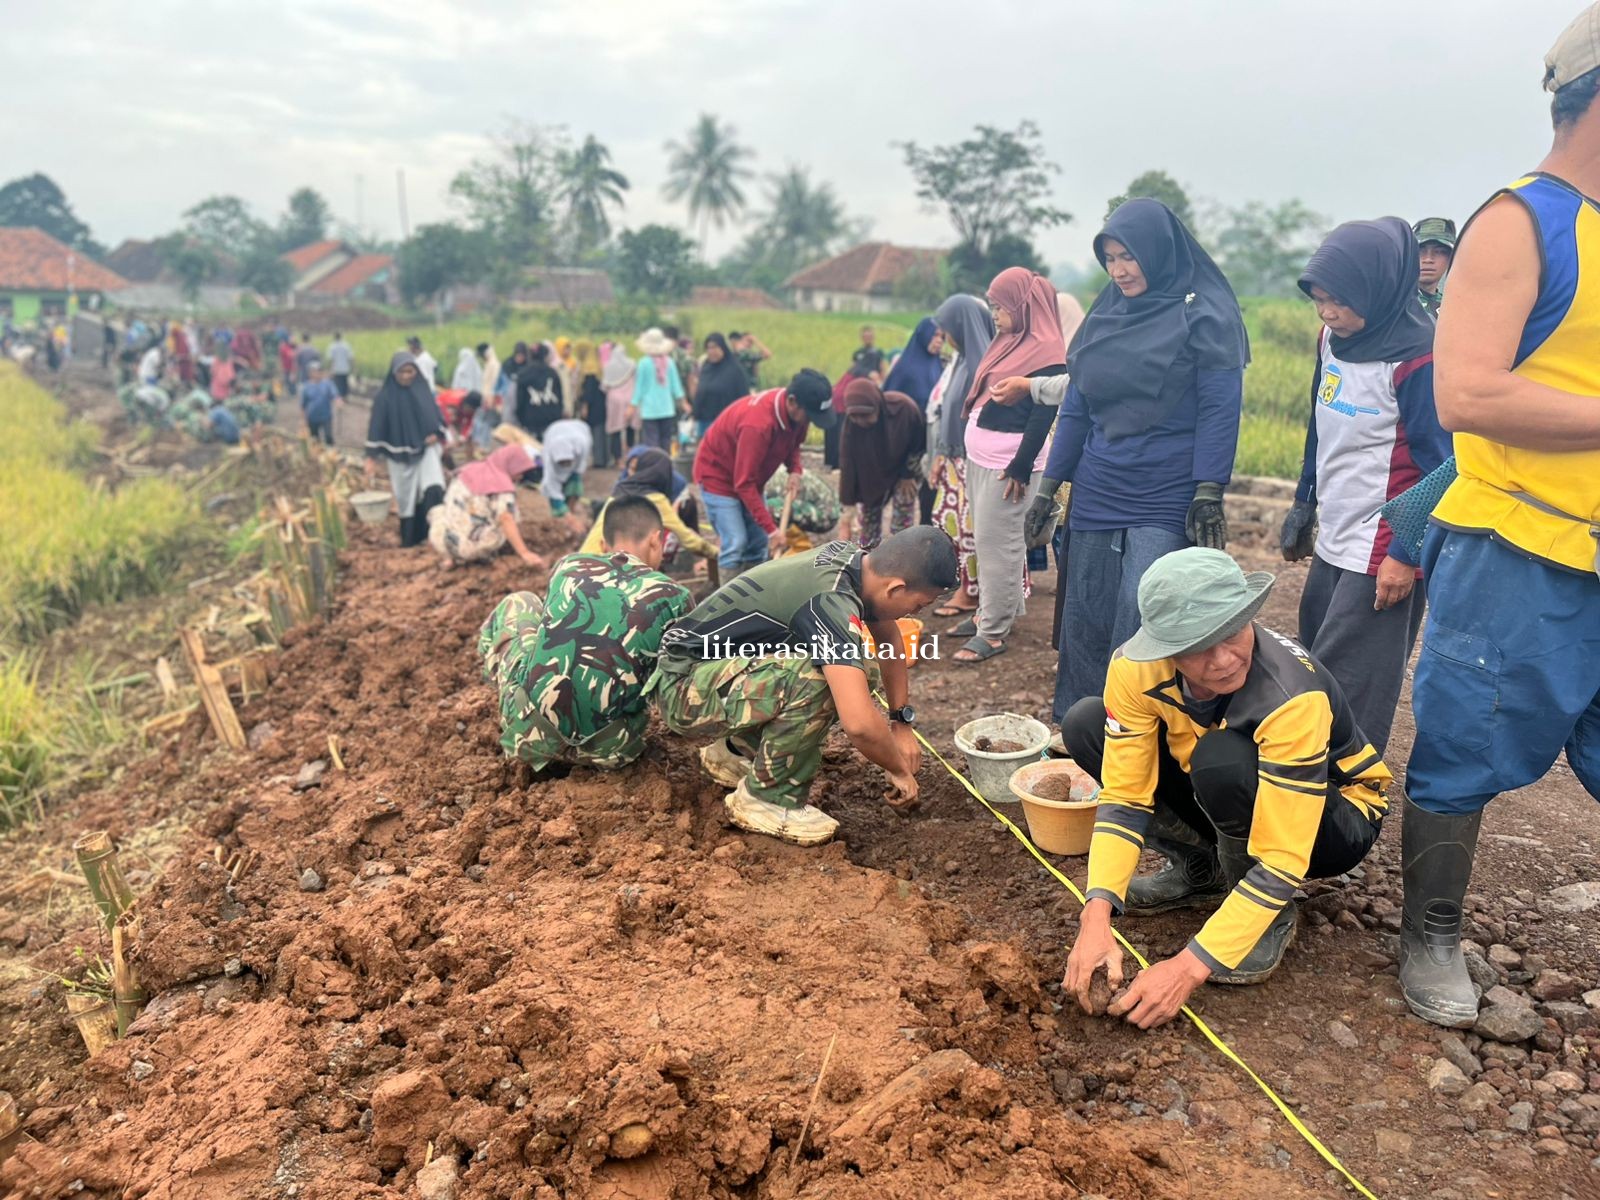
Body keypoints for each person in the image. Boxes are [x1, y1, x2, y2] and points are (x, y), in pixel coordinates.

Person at [1397, 12, 1600, 1029]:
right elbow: (1464, 395)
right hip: (1519, 544)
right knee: (1466, 742)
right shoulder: (1523, 223)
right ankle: (1429, 932)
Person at [1061, 549, 1392, 1023]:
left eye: (1232, 633)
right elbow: (1125, 795)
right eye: (1196, 646)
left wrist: (1187, 968)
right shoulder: (1134, 670)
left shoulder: (1290, 696)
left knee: (1222, 760)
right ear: (1164, 647)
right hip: (1224, 783)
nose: (1221, 660)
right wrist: (1095, 916)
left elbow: (1284, 855)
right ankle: (1203, 870)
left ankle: (1264, 917)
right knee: (1087, 724)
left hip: (1334, 818)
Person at [1021, 199, 1249, 714]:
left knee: (1143, 612)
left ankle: (1138, 730)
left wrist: (1209, 491)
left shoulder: (1205, 315)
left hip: (1166, 490)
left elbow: (1219, 409)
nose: (1119, 270)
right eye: (1110, 259)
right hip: (1100, 485)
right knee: (1087, 613)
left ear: (1158, 253)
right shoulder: (1105, 316)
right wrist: (1047, 487)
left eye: (1129, 257)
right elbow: (1077, 407)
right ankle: (1077, 728)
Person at [653, 527, 957, 845]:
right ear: (895, 588)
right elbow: (860, 725)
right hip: (684, 689)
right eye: (920, 604)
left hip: (710, 673)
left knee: (856, 667)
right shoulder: (830, 600)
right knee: (818, 679)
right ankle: (767, 799)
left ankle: (732, 752)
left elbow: (889, 639)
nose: (916, 612)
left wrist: (901, 722)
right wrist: (898, 769)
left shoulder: (855, 564)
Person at [1280, 218, 1448, 757]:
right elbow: (1317, 423)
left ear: (1378, 287)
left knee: (1354, 685)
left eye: (1339, 301)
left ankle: (1349, 802)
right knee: (1316, 664)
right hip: (1336, 531)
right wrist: (1303, 502)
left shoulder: (1418, 357)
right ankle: (1306, 783)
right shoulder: (1332, 340)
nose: (1327, 312)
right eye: (1319, 300)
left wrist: (1404, 554)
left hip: (1380, 547)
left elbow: (1444, 466)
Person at [479, 496, 692, 772]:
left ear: (603, 546)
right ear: (656, 540)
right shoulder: (676, 597)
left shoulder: (569, 565)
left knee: (521, 602)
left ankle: (500, 693)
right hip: (613, 751)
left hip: (527, 736)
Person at [949, 268, 1067, 664]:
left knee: (999, 547)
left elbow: (1041, 415)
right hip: (983, 459)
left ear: (1023, 305)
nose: (995, 314)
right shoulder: (1008, 342)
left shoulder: (1047, 352)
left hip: (1010, 465)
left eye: (1000, 307)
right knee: (986, 539)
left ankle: (994, 632)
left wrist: (1019, 466)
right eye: (992, 306)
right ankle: (991, 614)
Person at [693, 369, 836, 579]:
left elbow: (793, 443)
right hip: (718, 478)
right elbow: (743, 484)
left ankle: (752, 598)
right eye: (810, 415)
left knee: (758, 542)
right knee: (736, 542)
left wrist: (794, 470)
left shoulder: (797, 417)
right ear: (793, 402)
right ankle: (726, 606)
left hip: (749, 477)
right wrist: (773, 530)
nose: (810, 422)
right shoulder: (758, 425)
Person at [927, 295, 995, 623]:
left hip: (974, 462)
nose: (945, 337)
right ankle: (966, 586)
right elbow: (949, 412)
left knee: (972, 528)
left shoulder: (982, 366)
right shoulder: (962, 362)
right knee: (948, 523)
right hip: (955, 461)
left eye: (947, 329)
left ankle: (974, 592)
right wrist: (942, 454)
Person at [365, 352, 447, 547]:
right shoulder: (385, 397)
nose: (406, 376)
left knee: (434, 487)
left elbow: (435, 415)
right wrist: (371, 458)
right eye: (402, 372)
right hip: (398, 454)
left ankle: (435, 535)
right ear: (394, 373)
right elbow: (376, 427)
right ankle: (411, 540)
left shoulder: (422, 389)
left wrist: (436, 433)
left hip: (426, 449)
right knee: (406, 498)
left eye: (410, 371)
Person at [580, 446, 715, 562]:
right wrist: (715, 553)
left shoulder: (619, 491)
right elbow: (688, 539)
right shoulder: (655, 499)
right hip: (603, 569)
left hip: (581, 562)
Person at [428, 442, 547, 568]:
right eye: (520, 470)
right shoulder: (501, 486)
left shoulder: (467, 470)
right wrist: (525, 553)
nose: (521, 476)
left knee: (441, 510)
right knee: (506, 521)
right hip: (470, 548)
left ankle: (449, 558)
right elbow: (506, 519)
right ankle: (482, 556)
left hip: (440, 540)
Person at [838, 379, 925, 552]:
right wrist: (846, 514)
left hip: (904, 468)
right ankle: (868, 558)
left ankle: (901, 556)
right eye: (855, 416)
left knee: (903, 515)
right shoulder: (851, 425)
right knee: (869, 520)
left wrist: (908, 473)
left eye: (865, 415)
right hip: (871, 473)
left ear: (878, 404)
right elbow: (847, 465)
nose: (860, 421)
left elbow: (919, 443)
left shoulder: (904, 408)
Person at [631, 328, 686, 450]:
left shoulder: (643, 363)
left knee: (651, 442)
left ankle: (654, 466)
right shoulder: (669, 362)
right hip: (667, 409)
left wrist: (632, 405)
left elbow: (639, 388)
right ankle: (665, 465)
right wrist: (683, 403)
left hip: (649, 411)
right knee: (666, 441)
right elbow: (676, 387)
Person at [536, 418, 593, 528]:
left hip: (580, 430)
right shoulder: (549, 457)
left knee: (575, 486)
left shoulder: (581, 445)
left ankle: (570, 510)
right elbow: (551, 489)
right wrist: (570, 519)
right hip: (553, 430)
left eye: (567, 462)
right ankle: (561, 518)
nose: (565, 466)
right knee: (556, 495)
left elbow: (579, 469)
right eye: (562, 463)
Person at [691, 333, 749, 438]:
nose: (711, 351)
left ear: (723, 348)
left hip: (726, 422)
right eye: (708, 348)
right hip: (704, 421)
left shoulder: (735, 370)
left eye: (715, 347)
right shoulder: (706, 367)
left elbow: (743, 397)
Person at [882, 317, 945, 412]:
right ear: (924, 335)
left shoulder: (938, 365)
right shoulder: (905, 368)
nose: (939, 340)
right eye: (935, 335)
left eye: (942, 337)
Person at [515, 343, 566, 438]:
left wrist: (521, 420)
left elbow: (520, 401)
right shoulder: (553, 373)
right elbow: (560, 398)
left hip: (531, 423)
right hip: (551, 422)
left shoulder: (523, 374)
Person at [601, 342, 640, 462]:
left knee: (616, 430)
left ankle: (618, 458)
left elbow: (604, 386)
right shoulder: (632, 364)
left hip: (614, 401)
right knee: (631, 428)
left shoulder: (608, 366)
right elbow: (637, 380)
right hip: (630, 398)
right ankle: (630, 454)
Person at [573, 339, 609, 467]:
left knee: (595, 432)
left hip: (593, 406)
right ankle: (604, 459)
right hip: (601, 403)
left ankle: (598, 460)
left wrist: (585, 406)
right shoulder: (598, 365)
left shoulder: (588, 369)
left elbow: (589, 391)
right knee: (601, 431)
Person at [1413, 218, 1456, 318]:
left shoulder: (1453, 306)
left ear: (1450, 258)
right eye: (1420, 251)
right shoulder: (1394, 303)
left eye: (1439, 252)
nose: (1428, 259)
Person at [300, 362, 339, 445]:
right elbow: (303, 405)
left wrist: (338, 401)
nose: (317, 373)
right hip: (312, 417)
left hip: (325, 416)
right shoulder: (306, 387)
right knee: (314, 439)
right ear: (310, 373)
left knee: (328, 436)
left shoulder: (327, 384)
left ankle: (331, 452)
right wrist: (303, 419)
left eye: (319, 371)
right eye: (315, 371)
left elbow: (334, 394)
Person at [327, 331, 354, 398]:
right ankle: (344, 397)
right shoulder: (346, 345)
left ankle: (339, 399)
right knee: (344, 384)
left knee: (338, 386)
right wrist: (353, 368)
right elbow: (350, 358)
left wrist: (331, 370)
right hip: (345, 369)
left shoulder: (332, 346)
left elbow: (331, 360)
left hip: (336, 369)